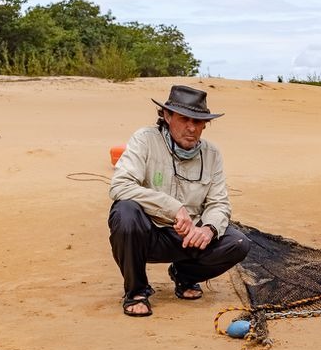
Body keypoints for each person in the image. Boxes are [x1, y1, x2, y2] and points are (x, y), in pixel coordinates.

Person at [108, 85, 251, 317]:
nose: (191, 128)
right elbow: (120, 186)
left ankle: (184, 275)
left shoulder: (212, 154)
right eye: (184, 119)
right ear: (167, 116)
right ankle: (136, 290)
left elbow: (219, 204)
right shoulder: (145, 140)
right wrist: (173, 208)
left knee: (238, 243)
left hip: (188, 240)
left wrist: (208, 229)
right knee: (125, 212)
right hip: (149, 234)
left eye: (198, 121)